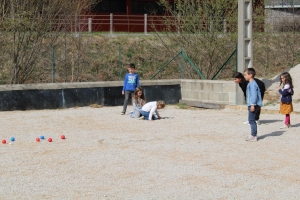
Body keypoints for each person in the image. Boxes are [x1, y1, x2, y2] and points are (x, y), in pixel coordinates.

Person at [244, 68, 262, 142]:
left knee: (251, 120)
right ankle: (252, 134)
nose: (244, 76)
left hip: (253, 105)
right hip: (252, 104)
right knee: (251, 120)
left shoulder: (252, 84)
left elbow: (254, 95)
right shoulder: (251, 83)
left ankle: (254, 136)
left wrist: (252, 105)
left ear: (250, 75)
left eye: (245, 75)